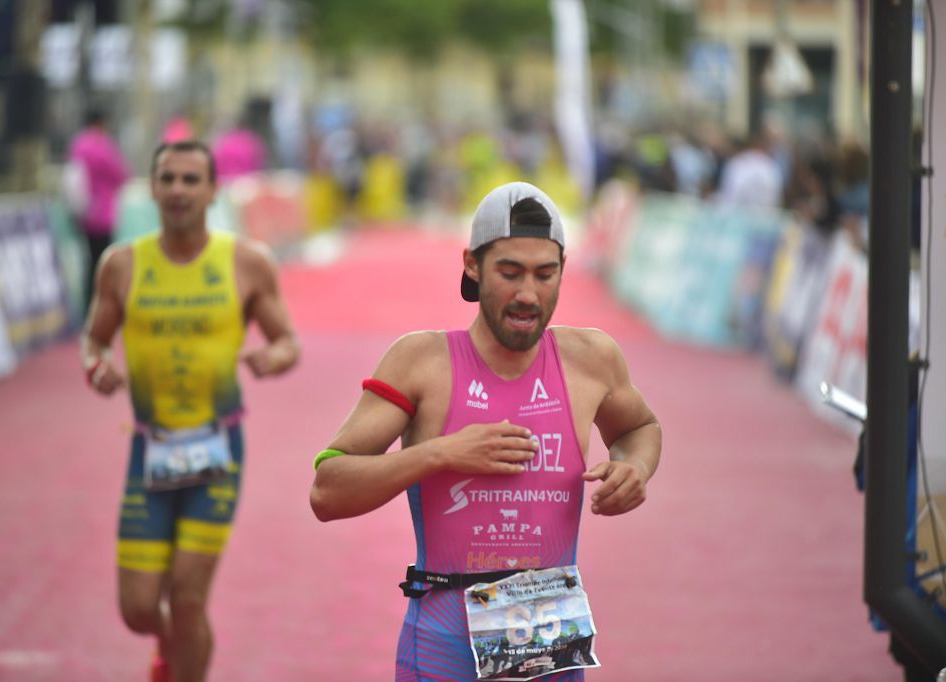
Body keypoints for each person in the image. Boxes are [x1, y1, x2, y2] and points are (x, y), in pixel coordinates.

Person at [309, 181, 662, 681]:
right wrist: (441, 453)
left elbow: (640, 427)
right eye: (509, 272)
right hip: (442, 644)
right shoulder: (421, 362)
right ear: (472, 265)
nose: (527, 294)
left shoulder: (591, 359)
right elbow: (327, 489)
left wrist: (634, 466)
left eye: (545, 274)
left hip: (551, 642)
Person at [81, 140, 300, 682]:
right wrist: (96, 367)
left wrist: (272, 357)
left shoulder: (246, 263)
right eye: (168, 179)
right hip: (150, 447)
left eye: (190, 180)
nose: (178, 190)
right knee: (136, 608)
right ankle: (169, 647)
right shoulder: (122, 265)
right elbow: (94, 341)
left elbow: (288, 341)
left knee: (187, 597)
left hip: (216, 449)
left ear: (212, 190)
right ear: (152, 188)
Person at [66, 107, 130, 309]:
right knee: (103, 264)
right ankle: (101, 307)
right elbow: (122, 174)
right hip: (102, 215)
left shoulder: (77, 145)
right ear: (102, 122)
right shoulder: (103, 146)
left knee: (89, 262)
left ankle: (88, 305)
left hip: (83, 214)